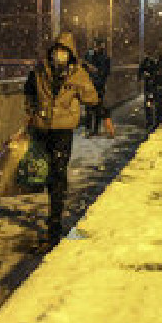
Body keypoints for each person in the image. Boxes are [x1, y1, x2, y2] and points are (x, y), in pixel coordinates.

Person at [24, 31, 99, 247]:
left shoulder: (78, 75)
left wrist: (103, 113)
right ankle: (54, 209)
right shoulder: (40, 72)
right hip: (42, 128)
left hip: (63, 131)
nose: (60, 55)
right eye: (58, 51)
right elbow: (29, 91)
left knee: (58, 172)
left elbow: (91, 96)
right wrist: (31, 111)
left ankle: (54, 222)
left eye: (64, 52)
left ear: (71, 54)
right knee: (45, 172)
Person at [83, 40, 112, 137]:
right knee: (93, 108)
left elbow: (105, 72)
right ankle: (91, 128)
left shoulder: (103, 58)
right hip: (93, 86)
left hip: (95, 86)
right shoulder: (94, 56)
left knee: (94, 108)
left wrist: (95, 72)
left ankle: (92, 129)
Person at [139, 49, 162, 131]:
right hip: (151, 87)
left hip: (157, 86)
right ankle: (150, 122)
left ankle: (157, 122)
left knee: (158, 104)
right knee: (150, 104)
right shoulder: (147, 61)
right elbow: (140, 72)